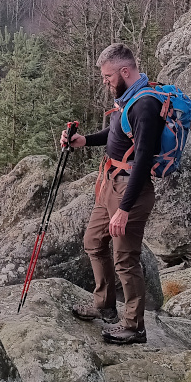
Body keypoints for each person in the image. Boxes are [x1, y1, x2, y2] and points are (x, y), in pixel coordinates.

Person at [60, 43, 163, 345]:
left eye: (108, 76)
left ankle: (134, 326)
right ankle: (104, 305)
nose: (105, 82)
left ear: (125, 71)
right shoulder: (128, 98)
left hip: (130, 189)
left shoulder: (145, 106)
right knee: (93, 241)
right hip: (110, 183)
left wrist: (124, 209)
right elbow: (117, 133)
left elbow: (142, 160)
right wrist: (85, 140)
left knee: (126, 260)